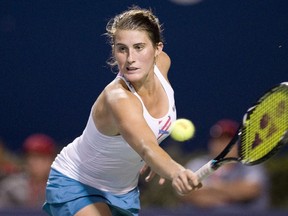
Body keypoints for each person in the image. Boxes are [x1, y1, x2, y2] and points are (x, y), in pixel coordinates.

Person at [42, 6, 201, 216]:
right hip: (76, 183)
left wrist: (159, 162)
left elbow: (148, 140)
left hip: (124, 193)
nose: (130, 58)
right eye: (122, 48)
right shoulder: (118, 97)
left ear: (157, 49)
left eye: (139, 47)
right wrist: (176, 170)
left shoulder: (163, 64)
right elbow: (145, 146)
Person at [181, 119, 270, 212]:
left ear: (237, 144)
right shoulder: (197, 164)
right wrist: (231, 194)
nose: (223, 145)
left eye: (228, 140)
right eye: (219, 140)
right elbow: (188, 193)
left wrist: (212, 188)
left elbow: (251, 190)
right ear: (211, 143)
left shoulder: (250, 165)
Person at [0, 133, 57, 209]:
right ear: (26, 160)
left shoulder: (61, 188)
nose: (38, 163)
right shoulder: (11, 186)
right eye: (33, 157)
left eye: (43, 158)